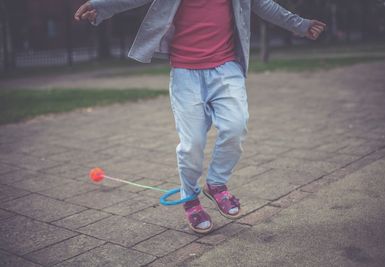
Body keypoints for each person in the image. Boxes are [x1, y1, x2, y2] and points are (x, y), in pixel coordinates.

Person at [75, 0, 326, 234]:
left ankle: (216, 184)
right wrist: (100, 5)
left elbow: (264, 4)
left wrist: (300, 25)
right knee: (192, 143)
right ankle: (191, 199)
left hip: (226, 68)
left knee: (235, 126)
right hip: (185, 72)